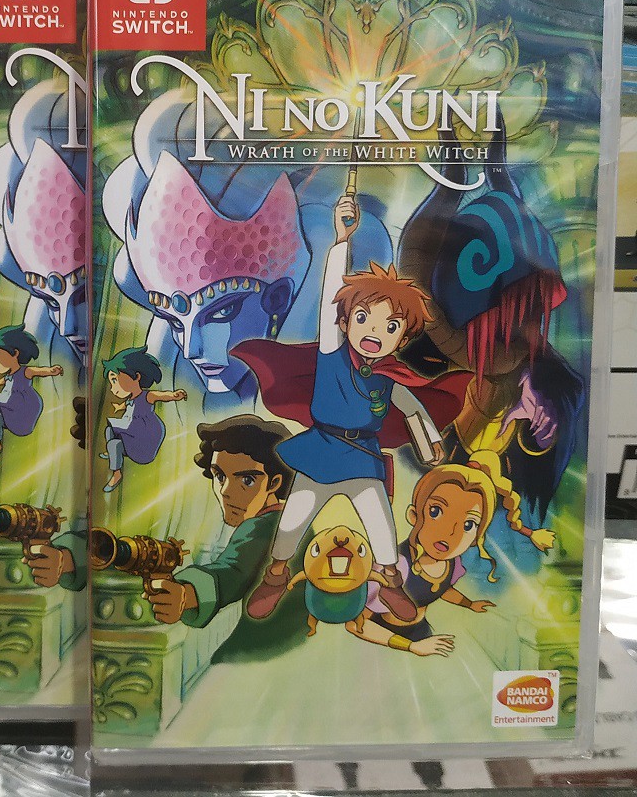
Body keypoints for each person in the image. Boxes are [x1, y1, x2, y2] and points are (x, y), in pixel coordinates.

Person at [235, 195, 471, 622]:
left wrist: (430, 446)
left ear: (402, 338)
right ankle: (275, 575)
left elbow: (413, 410)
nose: (375, 332)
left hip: (363, 457)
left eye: (391, 326)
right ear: (345, 322)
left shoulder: (390, 375)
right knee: (293, 521)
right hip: (322, 450)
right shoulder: (332, 353)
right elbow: (331, 297)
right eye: (364, 318)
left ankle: (391, 582)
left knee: (381, 526)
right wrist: (342, 240)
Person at [350, 452, 554, 655]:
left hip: (421, 633)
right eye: (436, 512)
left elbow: (441, 589)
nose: (449, 533)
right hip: (384, 644)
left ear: (476, 537)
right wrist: (411, 647)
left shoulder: (451, 564)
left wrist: (469, 604)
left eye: (468, 524)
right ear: (414, 514)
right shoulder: (393, 567)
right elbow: (355, 625)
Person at [147, 415, 311, 663]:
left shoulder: (263, 526)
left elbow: (233, 571)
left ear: (274, 483)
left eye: (247, 480)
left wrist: (187, 595)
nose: (226, 492)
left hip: (259, 654)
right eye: (220, 476)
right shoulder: (296, 521)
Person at [100, 346, 186, 492]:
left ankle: (117, 474)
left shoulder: (147, 396)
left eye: (115, 380)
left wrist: (174, 395)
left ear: (136, 376)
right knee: (110, 432)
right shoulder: (130, 399)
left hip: (142, 440)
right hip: (131, 434)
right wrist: (120, 407)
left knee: (114, 442)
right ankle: (112, 453)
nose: (113, 388)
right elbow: (129, 406)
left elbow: (161, 396)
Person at [0, 325, 63, 463]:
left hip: (22, 412)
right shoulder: (10, 374)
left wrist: (51, 371)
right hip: (11, 407)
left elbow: (38, 371)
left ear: (15, 353)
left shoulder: (25, 371)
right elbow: (7, 380)